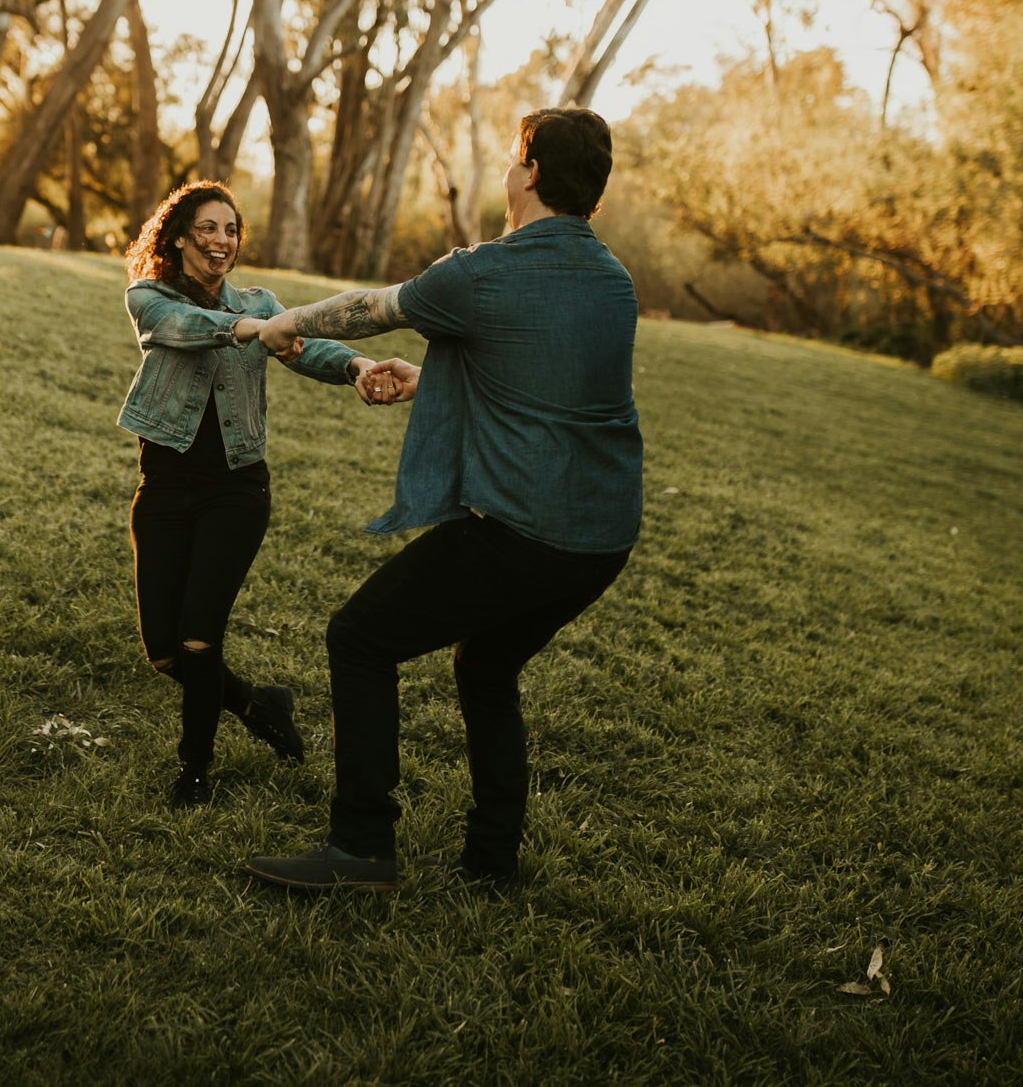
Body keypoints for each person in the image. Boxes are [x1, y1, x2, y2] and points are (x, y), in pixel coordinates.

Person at [244, 106, 642, 891]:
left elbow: (373, 308)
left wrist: (280, 324)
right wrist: (437, 381)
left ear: (529, 172)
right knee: (487, 667)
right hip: (601, 539)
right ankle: (491, 864)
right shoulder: (611, 279)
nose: (505, 170)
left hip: (525, 533)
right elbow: (552, 388)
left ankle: (360, 849)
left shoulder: (486, 270)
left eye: (510, 158)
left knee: (361, 637)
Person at [118, 181, 403, 808]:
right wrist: (253, 329)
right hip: (163, 489)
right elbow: (184, 326)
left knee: (199, 639)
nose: (222, 242)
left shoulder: (261, 302)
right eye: (209, 228)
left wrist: (356, 366)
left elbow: (306, 346)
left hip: (236, 490)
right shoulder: (151, 296)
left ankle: (194, 768)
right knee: (165, 653)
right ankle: (255, 703)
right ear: (179, 234)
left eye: (231, 230)